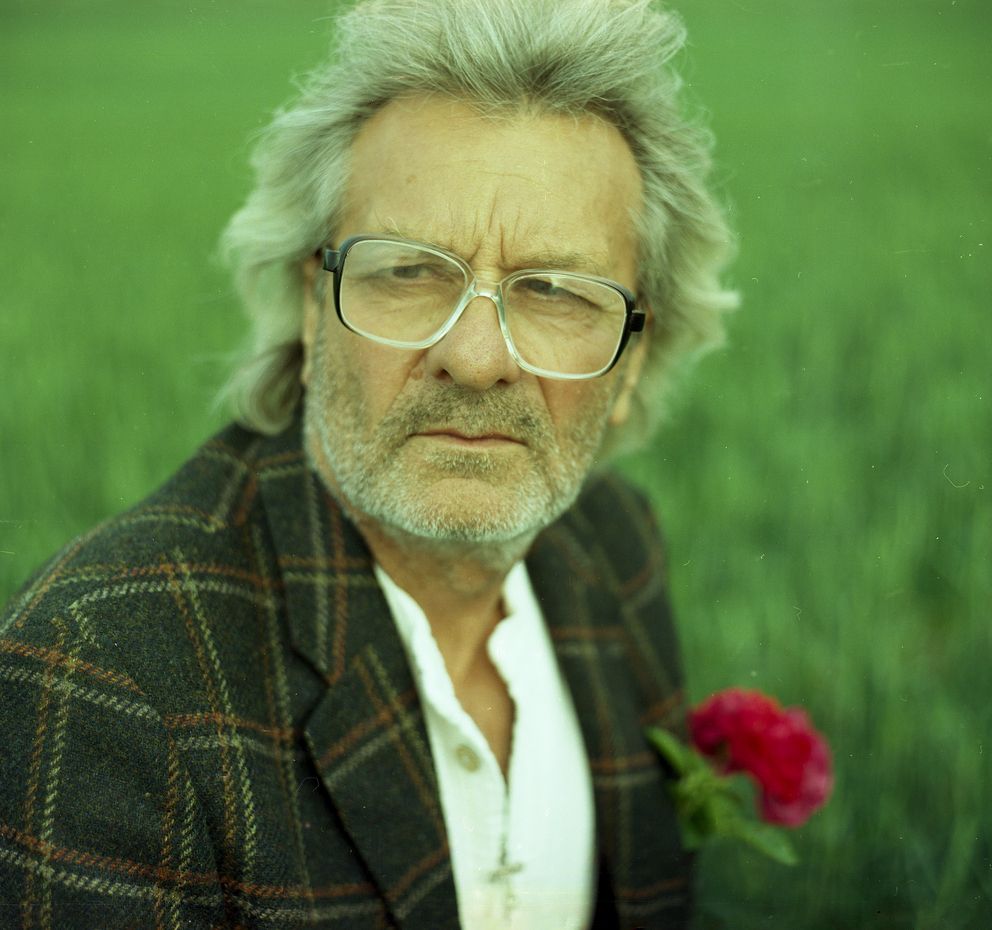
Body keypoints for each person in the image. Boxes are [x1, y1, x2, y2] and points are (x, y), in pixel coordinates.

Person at [0, 0, 737, 926]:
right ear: (314, 310)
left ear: (629, 361)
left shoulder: (618, 545)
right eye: (408, 272)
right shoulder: (103, 671)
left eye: (553, 290)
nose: (476, 358)